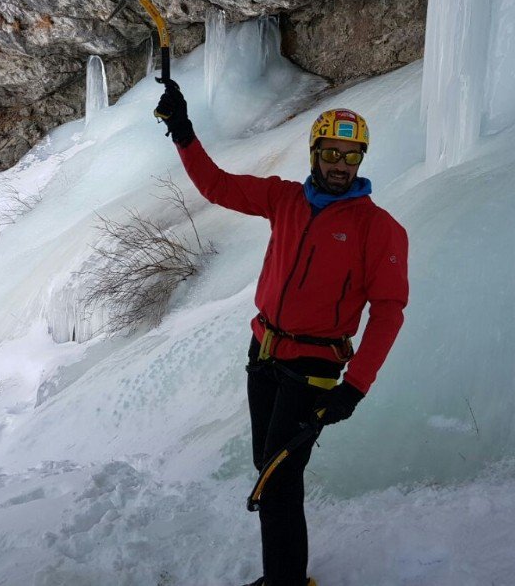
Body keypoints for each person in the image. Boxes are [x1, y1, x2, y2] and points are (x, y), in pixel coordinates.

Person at [154, 80, 409, 586]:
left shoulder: (378, 229)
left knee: (277, 480)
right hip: (264, 353)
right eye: (332, 153)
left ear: (361, 160)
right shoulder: (284, 200)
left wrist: (354, 387)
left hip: (313, 370)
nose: (341, 164)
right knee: (268, 466)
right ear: (314, 153)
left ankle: (287, 583)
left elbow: (388, 312)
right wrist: (182, 131)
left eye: (351, 155)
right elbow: (217, 186)